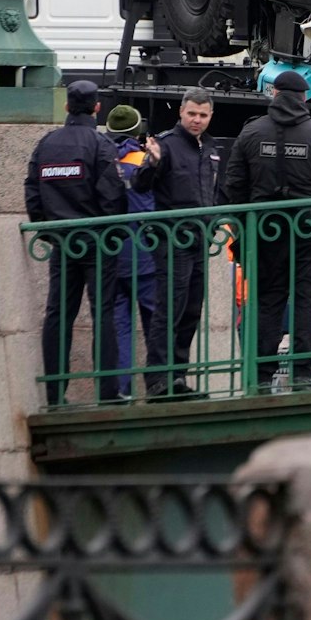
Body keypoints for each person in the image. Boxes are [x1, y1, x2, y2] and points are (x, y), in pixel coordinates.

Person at [222, 71, 311, 391]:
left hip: (264, 231)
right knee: (306, 299)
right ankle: (303, 372)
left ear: (275, 94)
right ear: (304, 97)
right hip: (308, 231)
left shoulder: (251, 132)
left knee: (268, 301)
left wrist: (243, 228)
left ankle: (262, 375)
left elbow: (234, 186)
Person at [24, 80, 127, 407]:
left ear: (67, 106)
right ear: (97, 108)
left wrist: (48, 231)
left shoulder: (47, 144)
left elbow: (33, 191)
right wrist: (113, 235)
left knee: (58, 315)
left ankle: (55, 394)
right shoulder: (101, 145)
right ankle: (107, 392)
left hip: (63, 242)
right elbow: (113, 196)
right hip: (97, 242)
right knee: (103, 314)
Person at [132, 92, 219, 398]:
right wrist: (152, 163)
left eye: (203, 115)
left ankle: (178, 377)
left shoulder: (210, 147)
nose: (197, 120)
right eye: (192, 114)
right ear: (181, 111)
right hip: (173, 239)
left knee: (191, 310)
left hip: (200, 238)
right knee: (170, 309)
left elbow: (211, 191)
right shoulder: (166, 144)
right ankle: (158, 379)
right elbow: (140, 184)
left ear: (210, 117)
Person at [101, 106, 168, 402]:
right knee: (156, 322)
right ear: (137, 131)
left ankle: (121, 389)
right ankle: (159, 383)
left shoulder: (103, 160)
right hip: (145, 254)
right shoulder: (144, 160)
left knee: (120, 327)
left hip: (112, 253)